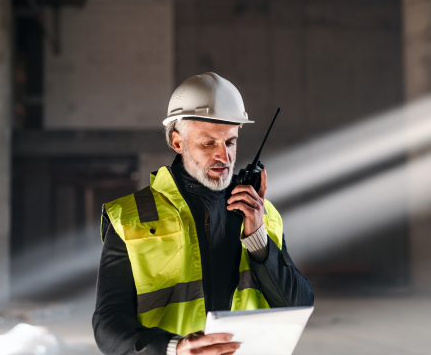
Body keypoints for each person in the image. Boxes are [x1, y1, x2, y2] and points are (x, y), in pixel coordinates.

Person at [92, 72, 314, 355]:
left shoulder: (261, 214)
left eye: (230, 142)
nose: (224, 156)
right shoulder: (129, 217)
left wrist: (257, 239)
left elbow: (298, 307)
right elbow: (108, 323)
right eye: (208, 143)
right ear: (177, 142)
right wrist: (175, 348)